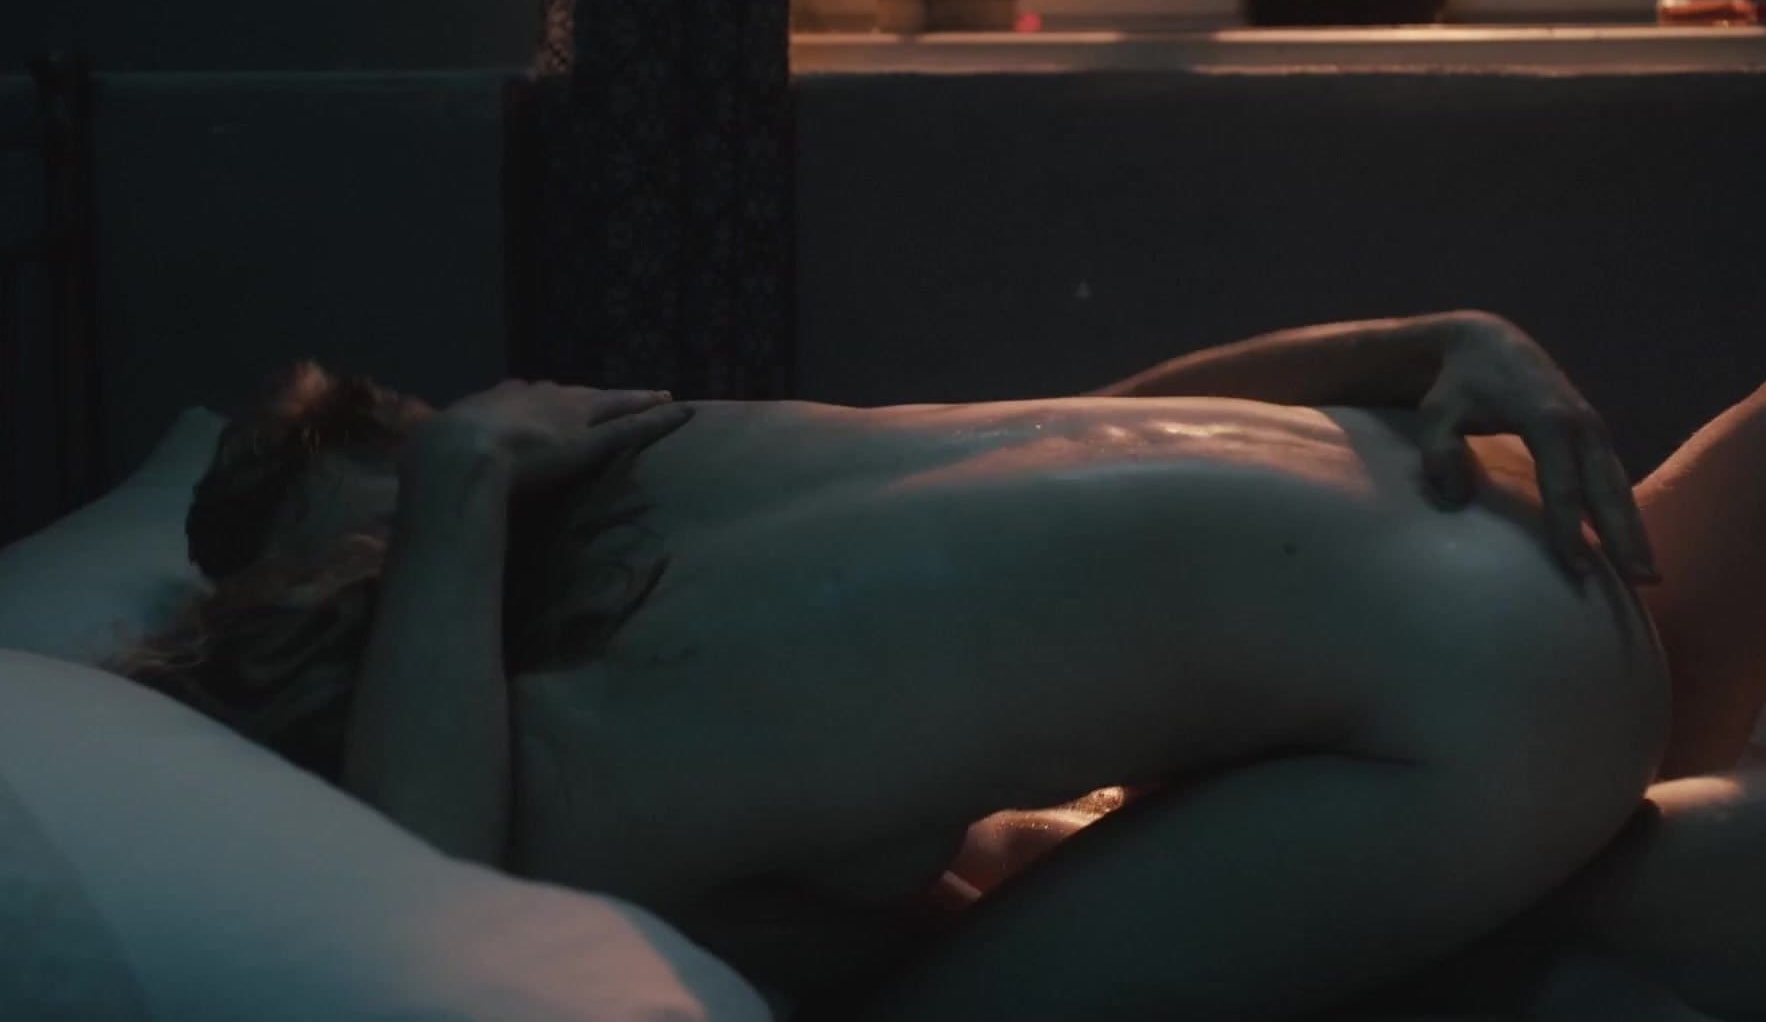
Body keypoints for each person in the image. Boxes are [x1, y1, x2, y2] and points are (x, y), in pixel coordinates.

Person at [112, 310, 1706, 1021]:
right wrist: (1435, 340)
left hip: (1501, 703)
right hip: (1500, 519)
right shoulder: (686, 446)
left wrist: (460, 502)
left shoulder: (579, 726)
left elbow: (420, 914)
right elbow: (1112, 427)